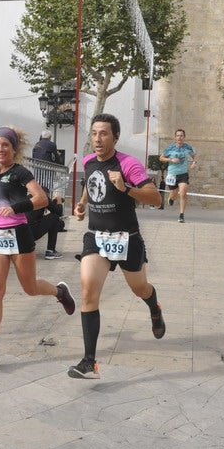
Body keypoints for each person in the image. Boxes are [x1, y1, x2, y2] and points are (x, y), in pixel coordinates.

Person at [0, 126, 76, 365]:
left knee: (30, 288)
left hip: (19, 235)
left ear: (14, 149)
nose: (0, 149)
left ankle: (59, 292)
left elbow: (41, 199)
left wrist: (15, 208)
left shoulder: (21, 172)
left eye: (5, 145)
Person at [69, 113, 165, 379]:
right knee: (88, 290)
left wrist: (125, 188)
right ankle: (90, 362)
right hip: (97, 238)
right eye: (94, 134)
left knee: (140, 289)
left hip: (127, 238)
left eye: (104, 134)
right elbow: (90, 185)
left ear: (115, 136)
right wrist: (81, 204)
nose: (98, 139)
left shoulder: (128, 164)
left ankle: (154, 308)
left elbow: (156, 198)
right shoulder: (88, 162)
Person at [160, 129, 197, 223]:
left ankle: (181, 215)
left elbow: (194, 156)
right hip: (172, 174)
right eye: (177, 135)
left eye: (181, 135)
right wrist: (171, 160)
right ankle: (171, 197)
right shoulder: (170, 148)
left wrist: (194, 163)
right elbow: (161, 158)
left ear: (184, 137)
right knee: (174, 195)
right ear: (175, 137)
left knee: (183, 193)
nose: (179, 137)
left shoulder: (187, 147)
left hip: (183, 174)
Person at [27, 186, 65, 260]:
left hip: (20, 235)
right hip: (32, 234)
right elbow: (59, 212)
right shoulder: (43, 197)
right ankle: (50, 251)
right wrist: (59, 200)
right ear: (46, 194)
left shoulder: (26, 197)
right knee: (54, 217)